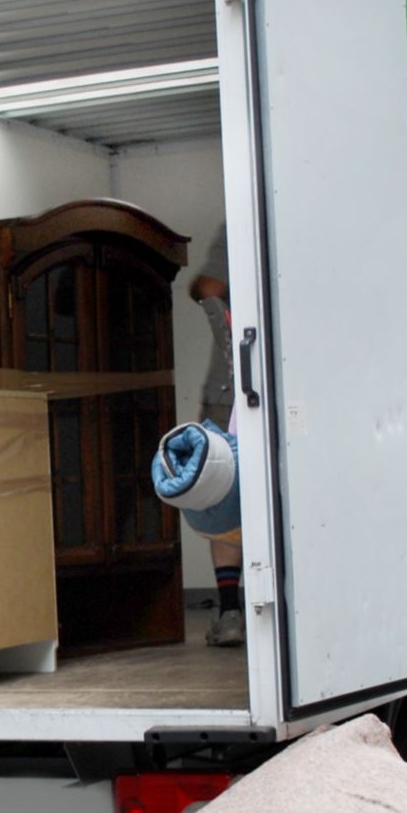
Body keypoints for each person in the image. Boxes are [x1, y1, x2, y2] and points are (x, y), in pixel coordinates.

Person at [188, 228, 243, 648]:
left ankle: (231, 614)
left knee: (221, 501)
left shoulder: (238, 226)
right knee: (225, 501)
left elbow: (206, 286)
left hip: (232, 396)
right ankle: (233, 613)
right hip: (235, 396)